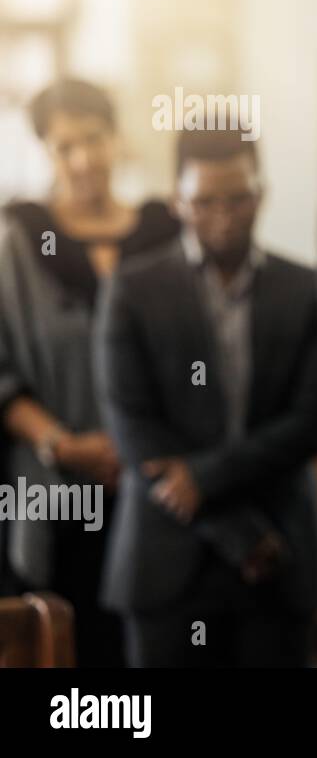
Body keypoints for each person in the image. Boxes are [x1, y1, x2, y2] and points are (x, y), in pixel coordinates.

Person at [96, 130, 317, 667]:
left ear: (261, 194)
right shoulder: (132, 289)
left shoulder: (306, 289)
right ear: (178, 200)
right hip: (166, 558)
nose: (223, 215)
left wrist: (203, 479)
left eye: (238, 198)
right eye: (204, 201)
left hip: (281, 553)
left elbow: (313, 420)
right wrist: (237, 532)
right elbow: (133, 425)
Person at [0, 79, 178, 666]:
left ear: (115, 139)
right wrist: (63, 443)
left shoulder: (163, 232)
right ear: (45, 151)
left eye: (93, 140)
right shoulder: (19, 241)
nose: (82, 160)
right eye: (63, 146)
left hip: (157, 484)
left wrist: (144, 447)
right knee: (68, 649)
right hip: (57, 488)